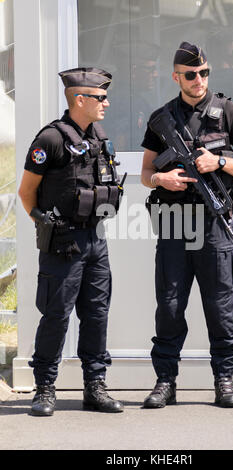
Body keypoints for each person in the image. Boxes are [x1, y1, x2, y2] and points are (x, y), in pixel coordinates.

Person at [141, 42, 233, 408]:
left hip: (213, 225)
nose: (199, 80)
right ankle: (166, 381)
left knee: (220, 305)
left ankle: (224, 379)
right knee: (170, 305)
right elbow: (146, 173)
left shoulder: (228, 113)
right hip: (175, 224)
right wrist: (162, 181)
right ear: (176, 77)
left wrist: (219, 164)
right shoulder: (162, 118)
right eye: (191, 75)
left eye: (204, 73)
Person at [18, 67, 124, 416]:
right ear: (80, 99)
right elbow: (26, 192)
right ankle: (45, 388)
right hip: (63, 244)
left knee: (96, 315)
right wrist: (42, 221)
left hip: (95, 241)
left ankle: (95, 386)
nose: (106, 102)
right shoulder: (50, 139)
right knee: (56, 316)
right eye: (101, 97)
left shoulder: (99, 135)